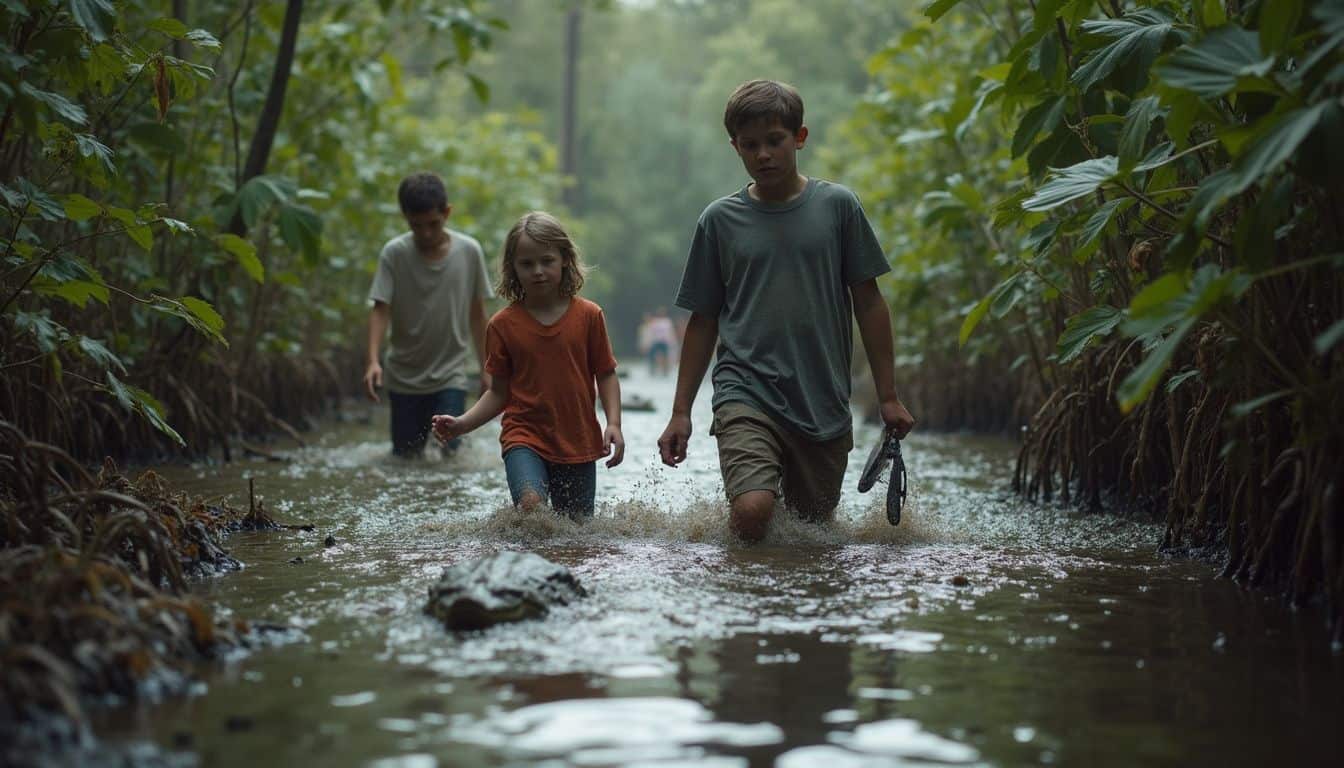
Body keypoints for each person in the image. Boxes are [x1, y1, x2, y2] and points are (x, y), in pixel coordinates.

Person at [656, 79, 916, 542]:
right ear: (734, 147)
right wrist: (680, 412)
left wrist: (888, 395)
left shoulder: (839, 207)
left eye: (774, 141)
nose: (763, 155)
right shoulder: (719, 221)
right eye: (750, 145)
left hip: (822, 400)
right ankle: (744, 601)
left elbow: (870, 303)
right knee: (754, 511)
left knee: (810, 536)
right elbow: (703, 320)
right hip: (745, 389)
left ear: (800, 137)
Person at [432, 211, 624, 519]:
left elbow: (606, 374)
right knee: (532, 508)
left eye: (546, 261)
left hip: (578, 440)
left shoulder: (589, 316)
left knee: (577, 532)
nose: (538, 271)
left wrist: (614, 423)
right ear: (513, 269)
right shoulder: (502, 326)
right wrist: (462, 424)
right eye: (527, 264)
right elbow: (498, 393)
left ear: (565, 259)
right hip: (524, 437)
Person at [364, 172, 493, 458]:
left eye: (433, 224)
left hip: (451, 375)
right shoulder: (394, 254)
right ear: (405, 217)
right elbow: (380, 309)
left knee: (451, 456)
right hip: (403, 376)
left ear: (447, 213)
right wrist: (373, 361)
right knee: (406, 459)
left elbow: (477, 314)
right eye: (416, 225)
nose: (425, 233)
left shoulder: (469, 252)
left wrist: (487, 368)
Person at [646, 307, 678, 376]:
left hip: (665, 342)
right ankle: (652, 369)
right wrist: (648, 342)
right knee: (652, 354)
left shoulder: (667, 321)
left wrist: (673, 341)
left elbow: (670, 331)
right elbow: (651, 332)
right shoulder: (654, 321)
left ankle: (665, 370)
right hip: (656, 341)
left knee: (666, 355)